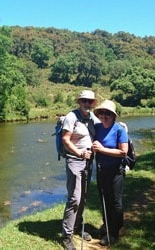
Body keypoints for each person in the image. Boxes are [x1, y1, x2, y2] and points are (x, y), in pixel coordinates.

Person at [60, 90, 100, 250]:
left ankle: (77, 227)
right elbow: (65, 139)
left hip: (88, 162)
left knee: (83, 196)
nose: (87, 104)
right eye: (84, 101)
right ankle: (66, 236)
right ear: (79, 102)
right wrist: (79, 153)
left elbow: (103, 124)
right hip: (75, 160)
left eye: (90, 102)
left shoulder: (91, 117)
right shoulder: (72, 117)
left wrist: (119, 126)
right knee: (74, 198)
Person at [91, 100, 128, 246]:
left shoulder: (119, 129)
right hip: (101, 170)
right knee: (104, 199)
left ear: (113, 116)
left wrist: (101, 149)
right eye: (102, 112)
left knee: (115, 201)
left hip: (116, 171)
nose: (104, 115)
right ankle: (106, 226)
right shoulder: (97, 127)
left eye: (108, 113)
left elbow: (123, 152)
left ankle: (115, 231)